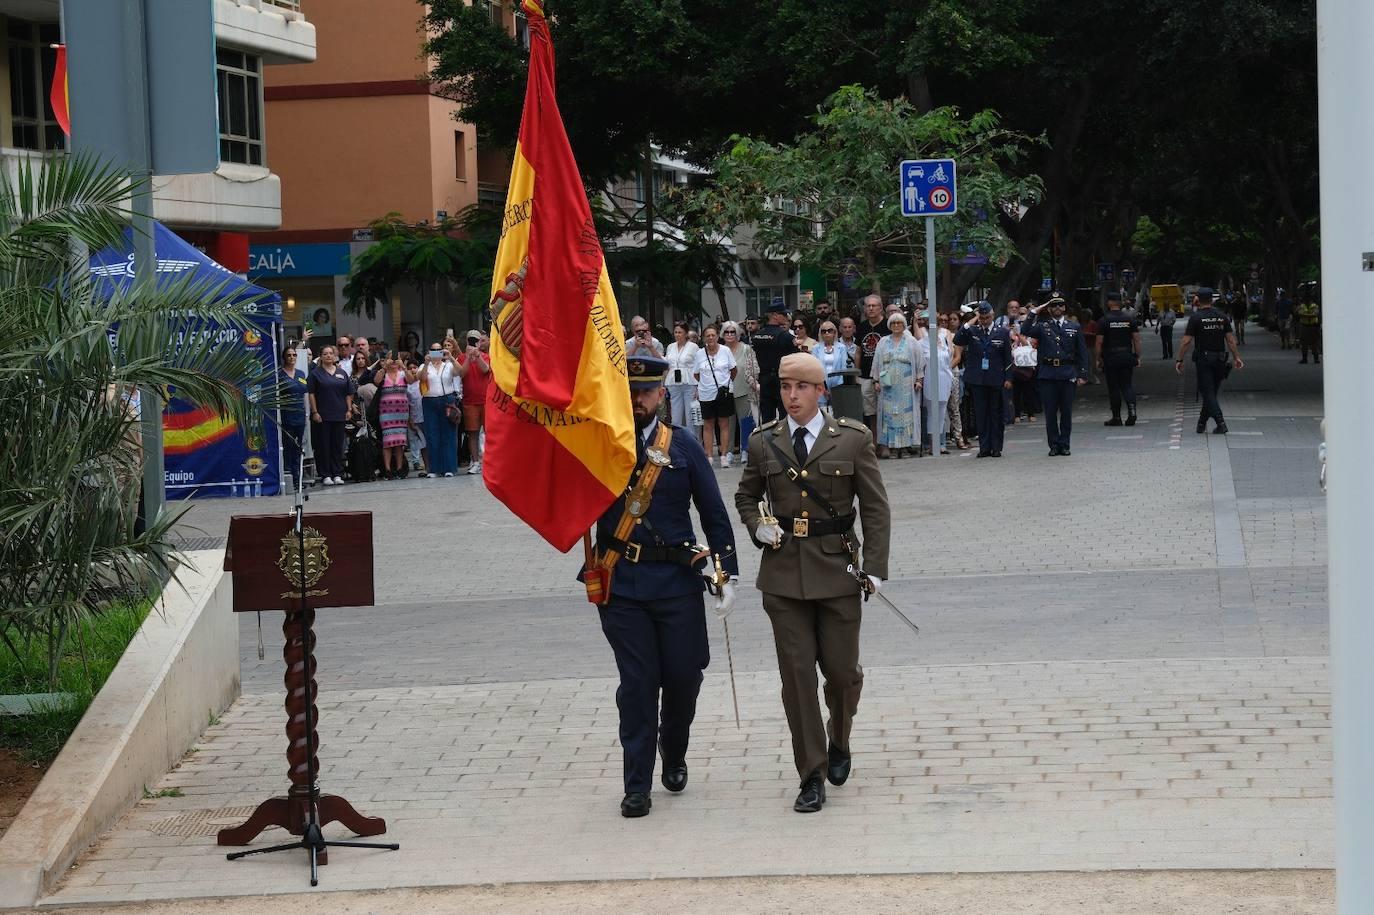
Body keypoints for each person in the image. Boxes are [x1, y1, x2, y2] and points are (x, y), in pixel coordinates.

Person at [734, 353, 891, 814]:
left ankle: (839, 738)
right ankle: (812, 773)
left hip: (839, 570)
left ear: (820, 391)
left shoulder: (852, 440)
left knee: (843, 675)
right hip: (783, 577)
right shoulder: (765, 442)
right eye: (785, 387)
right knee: (797, 678)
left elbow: (876, 508)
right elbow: (746, 493)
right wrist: (756, 524)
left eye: (801, 387)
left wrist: (876, 567)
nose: (792, 395)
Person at [587, 355, 739, 818]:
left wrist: (724, 573)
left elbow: (713, 513)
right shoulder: (598, 445)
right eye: (630, 392)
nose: (637, 401)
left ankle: (673, 751)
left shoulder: (686, 447)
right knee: (637, 684)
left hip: (677, 584)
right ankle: (637, 784)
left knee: (683, 678)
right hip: (623, 583)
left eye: (646, 392)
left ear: (660, 395)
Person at [1020, 294, 1089, 456]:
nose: (1057, 308)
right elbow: (1025, 330)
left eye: (1060, 305)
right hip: (1048, 374)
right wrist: (1034, 311)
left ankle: (1065, 444)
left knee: (1066, 412)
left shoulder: (1074, 326)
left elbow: (1082, 353)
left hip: (1067, 373)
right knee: (1050, 413)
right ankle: (1053, 444)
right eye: (1053, 306)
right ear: (1049, 309)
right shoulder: (1043, 326)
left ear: (1064, 308)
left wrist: (1083, 373)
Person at [1176, 288, 1244, 434]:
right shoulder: (1221, 316)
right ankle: (1201, 423)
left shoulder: (1196, 318)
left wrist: (1180, 359)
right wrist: (1236, 357)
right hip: (1220, 358)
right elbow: (1231, 340)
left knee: (1207, 392)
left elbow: (1186, 341)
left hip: (1204, 359)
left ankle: (1221, 422)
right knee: (1211, 392)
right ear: (1212, 300)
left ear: (1197, 300)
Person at [953, 302, 1014, 458]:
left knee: (996, 414)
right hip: (978, 379)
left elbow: (1008, 357)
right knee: (981, 414)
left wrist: (1008, 378)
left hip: (996, 378)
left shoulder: (1001, 332)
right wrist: (972, 320)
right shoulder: (972, 330)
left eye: (987, 318)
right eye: (982, 318)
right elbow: (958, 339)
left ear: (992, 316)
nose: (985, 321)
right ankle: (984, 447)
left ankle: (996, 447)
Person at [871, 312, 925, 458]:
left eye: (899, 323)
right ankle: (893, 447)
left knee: (906, 415)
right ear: (890, 325)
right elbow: (876, 362)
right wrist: (876, 381)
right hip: (888, 386)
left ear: (903, 325)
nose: (896, 326)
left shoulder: (911, 341)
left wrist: (919, 380)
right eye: (893, 323)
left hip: (906, 385)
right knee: (889, 415)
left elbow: (920, 361)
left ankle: (906, 447)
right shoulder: (883, 341)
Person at [307, 345, 354, 486]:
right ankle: (325, 474)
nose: (328, 356)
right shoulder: (315, 374)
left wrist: (349, 409)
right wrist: (315, 412)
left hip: (339, 414)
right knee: (323, 446)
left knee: (337, 445)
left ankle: (337, 473)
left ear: (335, 356)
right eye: (325, 353)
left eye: (330, 353)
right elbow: (311, 394)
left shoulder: (342, 373)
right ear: (320, 356)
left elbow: (348, 392)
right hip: (323, 415)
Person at [693, 325, 737, 467]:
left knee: (724, 424)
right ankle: (709, 456)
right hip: (706, 393)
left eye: (713, 335)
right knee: (708, 425)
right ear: (704, 338)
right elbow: (696, 373)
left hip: (723, 392)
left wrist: (726, 384)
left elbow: (733, 370)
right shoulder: (700, 353)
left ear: (718, 336)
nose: (710, 338)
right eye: (708, 335)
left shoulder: (725, 351)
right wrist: (706, 385)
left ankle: (723, 456)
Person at [1096, 291, 1142, 427]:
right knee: (1127, 385)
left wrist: (1098, 359)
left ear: (1109, 303)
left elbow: (1099, 342)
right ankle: (1132, 411)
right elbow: (1137, 340)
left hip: (1111, 357)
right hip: (1127, 355)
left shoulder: (1104, 320)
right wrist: (1137, 356)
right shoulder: (1129, 319)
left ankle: (1116, 417)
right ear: (1120, 302)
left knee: (1114, 387)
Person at [418, 339, 463, 477]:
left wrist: (451, 358)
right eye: (433, 350)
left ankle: (449, 467)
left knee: (448, 435)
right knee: (432, 434)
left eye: (439, 350)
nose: (436, 352)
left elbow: (461, 372)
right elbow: (421, 378)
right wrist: (426, 363)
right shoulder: (424, 366)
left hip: (447, 400)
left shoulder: (448, 365)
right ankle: (434, 469)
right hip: (429, 401)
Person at [750, 297, 795, 424]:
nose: (787, 316)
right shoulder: (785, 336)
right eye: (784, 314)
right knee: (785, 418)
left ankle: (767, 444)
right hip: (781, 379)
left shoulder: (757, 336)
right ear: (775, 315)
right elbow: (794, 356)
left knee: (767, 419)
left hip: (764, 379)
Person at [720, 321, 758, 463]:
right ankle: (728, 452)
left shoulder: (746, 348)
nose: (730, 335)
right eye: (727, 332)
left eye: (733, 332)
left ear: (738, 334)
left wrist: (754, 384)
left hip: (744, 389)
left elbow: (753, 367)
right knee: (727, 424)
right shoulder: (720, 350)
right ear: (722, 334)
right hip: (725, 392)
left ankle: (745, 451)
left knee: (746, 422)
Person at [373, 352, 412, 480]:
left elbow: (412, 380)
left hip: (401, 413)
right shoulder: (384, 374)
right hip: (386, 413)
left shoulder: (403, 374)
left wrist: (404, 367)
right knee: (388, 441)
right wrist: (385, 367)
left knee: (400, 442)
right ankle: (388, 469)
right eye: (392, 358)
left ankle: (400, 468)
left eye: (397, 358)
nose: (394, 361)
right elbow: (376, 381)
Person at [854, 295, 889, 438]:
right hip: (865, 375)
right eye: (868, 306)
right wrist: (857, 373)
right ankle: (874, 442)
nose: (871, 308)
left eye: (874, 305)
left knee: (885, 410)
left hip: (884, 375)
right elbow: (858, 352)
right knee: (870, 412)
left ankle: (886, 442)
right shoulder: (862, 327)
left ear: (881, 308)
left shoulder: (888, 326)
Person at [458, 332, 491, 474]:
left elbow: (485, 369)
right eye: (471, 340)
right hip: (469, 401)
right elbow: (462, 374)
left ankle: (490, 462)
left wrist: (477, 356)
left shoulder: (485, 356)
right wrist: (467, 357)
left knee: (490, 432)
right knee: (473, 433)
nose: (474, 343)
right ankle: (476, 462)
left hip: (485, 400)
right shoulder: (461, 357)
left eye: (476, 340)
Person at [918, 326, 954, 455]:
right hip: (930, 380)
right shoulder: (921, 344)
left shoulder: (944, 342)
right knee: (932, 412)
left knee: (942, 412)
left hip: (945, 379)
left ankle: (939, 443)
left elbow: (948, 361)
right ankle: (933, 444)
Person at [278, 345, 309, 483]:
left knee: (298, 446)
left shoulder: (301, 374)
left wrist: (307, 413)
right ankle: (289, 475)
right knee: (288, 445)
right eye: (289, 355)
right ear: (284, 357)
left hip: (300, 415)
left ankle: (298, 476)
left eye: (294, 355)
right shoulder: (279, 374)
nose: (292, 358)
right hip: (286, 415)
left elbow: (305, 394)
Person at [665, 321, 700, 430]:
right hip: (673, 382)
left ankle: (693, 443)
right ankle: (677, 443)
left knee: (690, 416)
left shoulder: (693, 347)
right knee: (675, 417)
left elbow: (699, 366)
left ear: (686, 334)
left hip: (689, 382)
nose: (677, 334)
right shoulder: (670, 347)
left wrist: (699, 387)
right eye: (675, 332)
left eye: (680, 332)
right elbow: (666, 362)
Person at [811, 319, 849, 406]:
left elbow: (844, 368)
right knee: (822, 412)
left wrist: (837, 387)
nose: (827, 333)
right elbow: (814, 368)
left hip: (838, 385)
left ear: (835, 332)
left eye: (829, 330)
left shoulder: (841, 347)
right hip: (820, 384)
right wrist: (823, 388)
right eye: (823, 331)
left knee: (837, 412)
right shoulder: (816, 348)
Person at [1297, 292, 1321, 364]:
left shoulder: (1315, 306)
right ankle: (1304, 358)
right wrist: (1310, 315)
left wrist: (1305, 315)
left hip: (1313, 326)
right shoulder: (1302, 306)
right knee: (1304, 343)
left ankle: (1316, 358)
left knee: (1314, 343)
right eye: (1305, 299)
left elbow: (1315, 314)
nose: (1307, 300)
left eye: (1308, 299)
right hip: (1304, 326)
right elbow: (1300, 314)